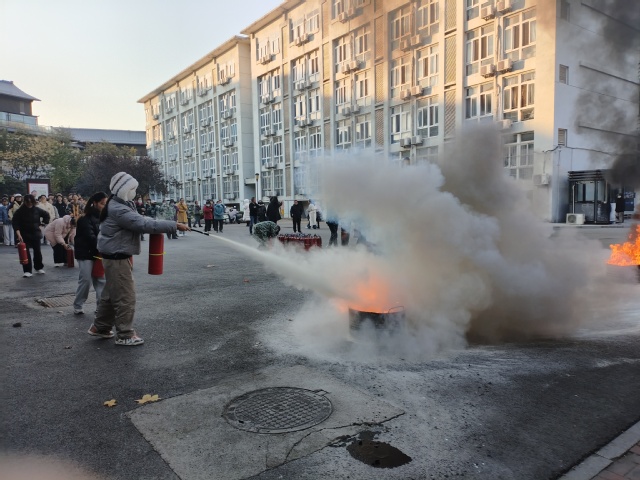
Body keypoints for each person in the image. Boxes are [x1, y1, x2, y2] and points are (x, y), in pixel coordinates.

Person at [87, 172, 189, 346]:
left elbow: (140, 219)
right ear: (123, 189)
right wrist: (173, 225)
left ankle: (100, 327)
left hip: (115, 256)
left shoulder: (120, 204)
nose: (134, 192)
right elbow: (142, 224)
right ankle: (125, 335)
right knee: (125, 296)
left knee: (111, 294)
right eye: (132, 188)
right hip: (117, 258)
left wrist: (168, 224)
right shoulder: (118, 209)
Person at [73, 192, 108, 315]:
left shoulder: (105, 218)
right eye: (102, 203)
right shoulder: (84, 219)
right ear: (95, 203)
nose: (104, 206)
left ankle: (100, 307)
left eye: (106, 203)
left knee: (101, 280)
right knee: (86, 280)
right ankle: (78, 304)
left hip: (99, 252)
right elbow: (90, 237)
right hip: (85, 253)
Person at [12, 194, 50, 277]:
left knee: (37, 251)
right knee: (26, 253)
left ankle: (39, 267)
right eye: (27, 202)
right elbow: (15, 223)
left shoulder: (37, 209)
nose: (29, 204)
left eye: (31, 202)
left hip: (36, 233)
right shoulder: (19, 211)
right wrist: (18, 234)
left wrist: (42, 224)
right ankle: (27, 270)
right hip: (24, 234)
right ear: (25, 202)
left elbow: (46, 215)